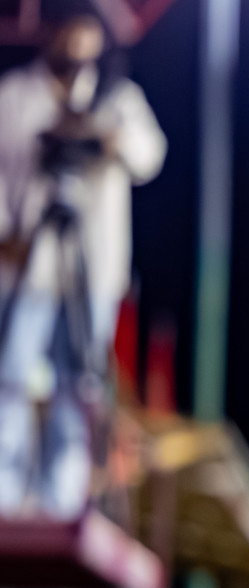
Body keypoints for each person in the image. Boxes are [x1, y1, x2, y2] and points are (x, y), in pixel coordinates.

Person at [0, 5, 165, 518]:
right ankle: (5, 492)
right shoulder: (13, 96)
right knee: (10, 372)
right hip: (25, 263)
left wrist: (109, 140)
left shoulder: (116, 99)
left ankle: (62, 498)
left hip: (91, 267)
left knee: (79, 382)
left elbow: (150, 156)